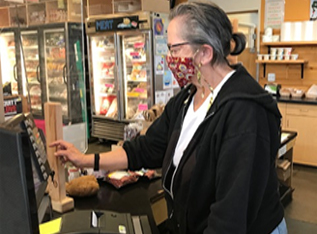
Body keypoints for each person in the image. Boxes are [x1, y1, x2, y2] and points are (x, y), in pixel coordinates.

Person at [50, 1, 287, 234]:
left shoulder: (244, 113)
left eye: (174, 49)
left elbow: (231, 214)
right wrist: (85, 160)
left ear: (204, 52)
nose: (169, 58)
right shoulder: (188, 97)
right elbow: (144, 149)